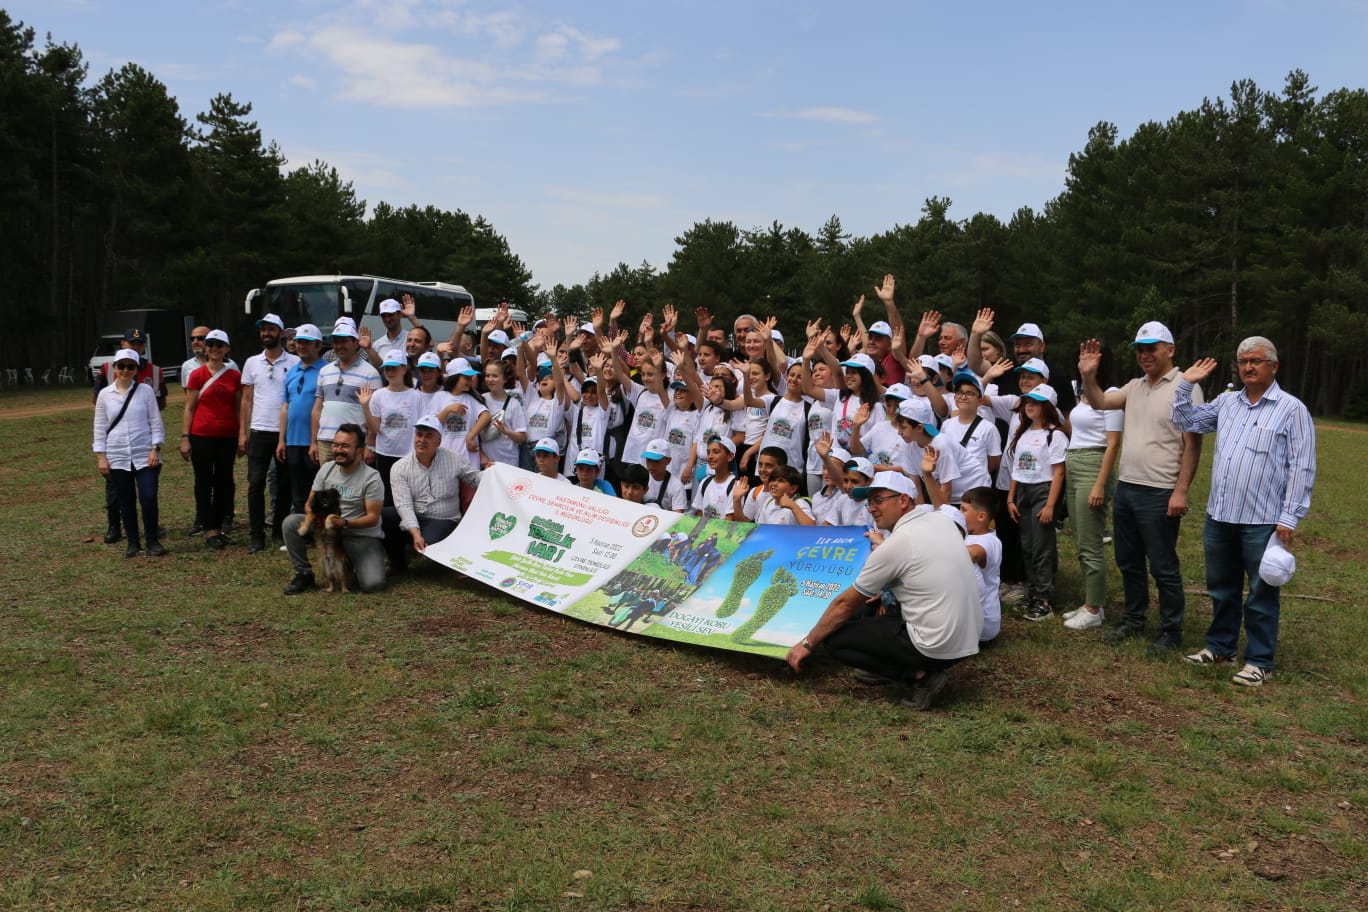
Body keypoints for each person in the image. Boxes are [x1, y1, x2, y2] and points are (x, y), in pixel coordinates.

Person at [1172, 337, 1316, 686]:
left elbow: (1302, 465)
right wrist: (1186, 383)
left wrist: (1289, 516)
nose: (1248, 367)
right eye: (1242, 361)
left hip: (1263, 520)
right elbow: (1185, 419)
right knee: (1221, 588)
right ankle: (1221, 647)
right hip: (1220, 515)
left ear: (1274, 366)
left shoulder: (1291, 409)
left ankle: (1260, 660)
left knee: (1261, 593)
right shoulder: (1226, 403)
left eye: (1256, 361)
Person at [785, 471, 982, 711]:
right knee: (883, 608)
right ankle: (900, 663)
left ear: (903, 500)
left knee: (836, 639)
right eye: (870, 502)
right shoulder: (941, 521)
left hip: (935, 646)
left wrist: (806, 643)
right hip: (969, 640)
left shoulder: (899, 543)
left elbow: (844, 605)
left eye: (879, 500)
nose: (872, 508)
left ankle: (918, 676)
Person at [1079, 322, 1203, 653]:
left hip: (1160, 491)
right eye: (1140, 349)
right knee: (1129, 561)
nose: (1144, 355)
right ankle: (1134, 621)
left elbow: (1192, 444)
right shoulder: (1135, 387)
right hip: (1128, 489)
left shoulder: (1185, 385)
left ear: (1170, 350)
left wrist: (1181, 490)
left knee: (1163, 566)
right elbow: (1100, 403)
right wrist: (1089, 376)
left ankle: (1171, 631)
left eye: (1152, 348)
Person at [283, 423, 386, 594]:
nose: (338, 450)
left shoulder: (371, 478)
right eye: (336, 445)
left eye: (345, 446)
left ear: (360, 451)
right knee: (291, 523)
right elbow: (309, 504)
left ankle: (353, 564)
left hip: (358, 535)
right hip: (326, 528)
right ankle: (304, 574)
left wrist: (345, 523)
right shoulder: (327, 469)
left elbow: (373, 517)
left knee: (373, 584)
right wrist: (318, 519)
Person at [1062, 346, 1123, 631]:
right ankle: (1090, 600)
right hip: (1074, 463)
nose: (1086, 363)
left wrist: (1100, 483)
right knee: (1080, 537)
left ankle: (1094, 608)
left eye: (1094, 359)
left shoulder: (1111, 394)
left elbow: (1113, 443)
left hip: (1093, 464)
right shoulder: (1084, 395)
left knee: (1091, 541)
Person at [382, 415, 483, 574]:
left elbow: (474, 479)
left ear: (439, 441)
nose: (422, 440)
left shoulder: (454, 458)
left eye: (429, 436)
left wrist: (494, 472)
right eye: (419, 434)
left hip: (444, 518)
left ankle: (440, 557)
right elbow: (404, 504)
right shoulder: (399, 467)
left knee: (430, 542)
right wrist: (415, 533)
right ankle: (398, 564)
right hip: (415, 514)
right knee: (383, 517)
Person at [93, 348, 165, 557]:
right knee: (125, 500)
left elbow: (155, 422)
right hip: (117, 456)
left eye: (130, 367)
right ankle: (133, 542)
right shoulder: (105, 395)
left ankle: (152, 540)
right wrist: (101, 456)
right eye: (121, 366)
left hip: (145, 454)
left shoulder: (145, 391)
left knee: (149, 497)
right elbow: (99, 427)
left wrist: (155, 448)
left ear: (136, 370)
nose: (125, 370)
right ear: (114, 368)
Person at [1005, 384, 1068, 621]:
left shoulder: (1055, 434)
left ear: (1048, 407)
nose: (1029, 405)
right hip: (1023, 493)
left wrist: (1051, 506)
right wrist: (1011, 498)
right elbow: (1016, 470)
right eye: (1027, 401)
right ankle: (1033, 593)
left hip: (1043, 491)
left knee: (1042, 547)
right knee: (1028, 545)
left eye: (1036, 402)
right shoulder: (1023, 433)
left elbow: (1059, 473)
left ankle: (1044, 599)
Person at [239, 313, 299, 553]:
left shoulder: (293, 362)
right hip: (259, 431)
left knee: (284, 485)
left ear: (281, 333)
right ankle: (256, 536)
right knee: (255, 484)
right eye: (263, 330)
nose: (266, 334)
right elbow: (246, 400)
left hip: (284, 432)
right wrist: (243, 433)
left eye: (271, 330)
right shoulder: (252, 362)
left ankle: (278, 532)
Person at [179, 329, 242, 549]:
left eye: (219, 345)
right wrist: (185, 437)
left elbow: (238, 408)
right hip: (202, 435)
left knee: (224, 481)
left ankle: (221, 523)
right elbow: (189, 408)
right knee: (204, 481)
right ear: (206, 348)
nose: (215, 349)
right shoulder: (196, 375)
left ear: (227, 349)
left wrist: (242, 434)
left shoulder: (234, 376)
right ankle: (209, 528)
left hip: (227, 436)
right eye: (211, 344)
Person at [311, 318, 381, 466]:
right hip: (325, 442)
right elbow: (317, 408)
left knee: (353, 487)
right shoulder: (324, 371)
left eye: (343, 341)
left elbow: (375, 415)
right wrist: (314, 441)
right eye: (335, 342)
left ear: (355, 343)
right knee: (327, 486)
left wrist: (370, 445)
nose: (339, 346)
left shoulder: (370, 373)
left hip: (354, 443)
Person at [276, 324, 325, 516]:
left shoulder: (326, 370)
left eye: (306, 343)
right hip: (293, 441)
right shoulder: (292, 372)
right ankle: (302, 532)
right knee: (297, 491)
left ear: (318, 345)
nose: (301, 346)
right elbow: (285, 406)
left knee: (318, 490)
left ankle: (319, 530)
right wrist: (282, 440)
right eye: (298, 342)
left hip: (315, 441)